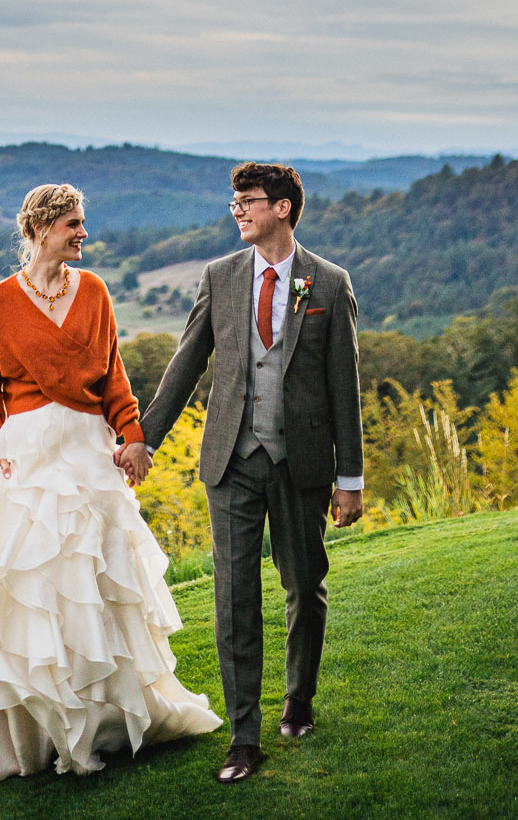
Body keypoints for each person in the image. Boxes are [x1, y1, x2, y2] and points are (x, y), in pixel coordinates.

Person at [0, 181, 221, 803]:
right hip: (27, 459)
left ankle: (102, 723)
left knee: (95, 585)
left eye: (82, 223)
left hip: (89, 454)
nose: (83, 234)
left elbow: (113, 377)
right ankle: (33, 735)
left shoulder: (94, 292)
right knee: (26, 590)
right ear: (41, 229)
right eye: (73, 224)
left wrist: (133, 436)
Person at [117, 160, 364, 784]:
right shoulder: (220, 276)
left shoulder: (329, 283)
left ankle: (299, 699)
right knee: (234, 598)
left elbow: (345, 387)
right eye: (235, 202)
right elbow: (186, 361)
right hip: (231, 460)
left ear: (282, 208)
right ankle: (244, 738)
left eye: (248, 200)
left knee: (303, 585)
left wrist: (350, 479)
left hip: (303, 462)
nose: (238, 211)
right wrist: (143, 436)